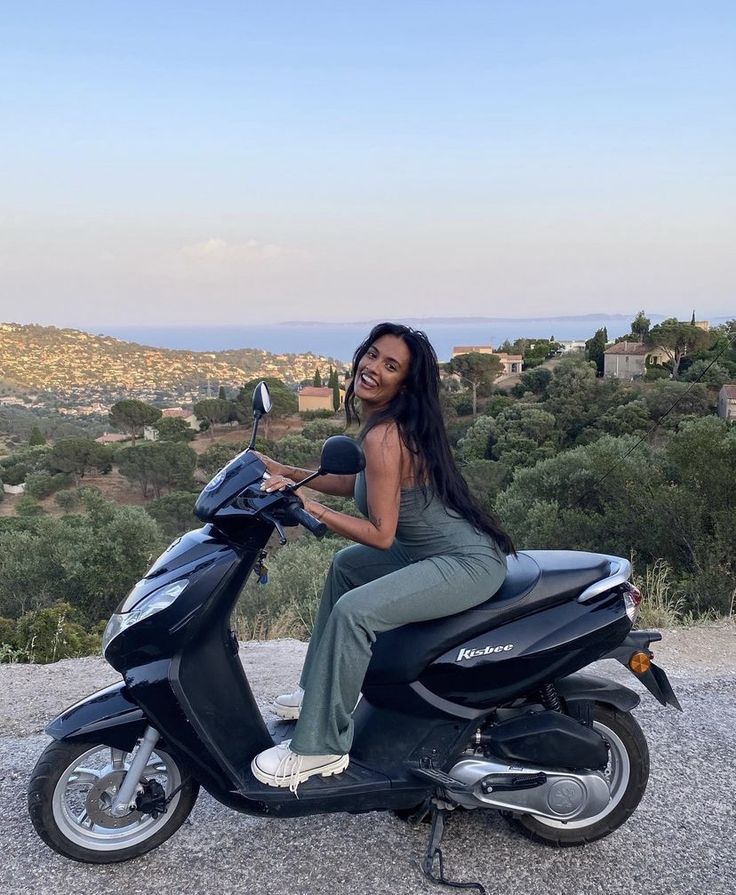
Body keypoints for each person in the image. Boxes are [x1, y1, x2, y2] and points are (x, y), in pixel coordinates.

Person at [250, 322, 514, 792]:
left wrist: (312, 507)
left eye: (390, 365)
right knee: (344, 568)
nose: (372, 367)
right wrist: (287, 473)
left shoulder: (385, 437)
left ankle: (322, 746)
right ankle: (317, 694)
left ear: (404, 383)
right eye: (372, 355)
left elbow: (381, 534)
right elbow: (358, 484)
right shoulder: (382, 426)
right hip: (429, 551)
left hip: (465, 563)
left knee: (356, 612)